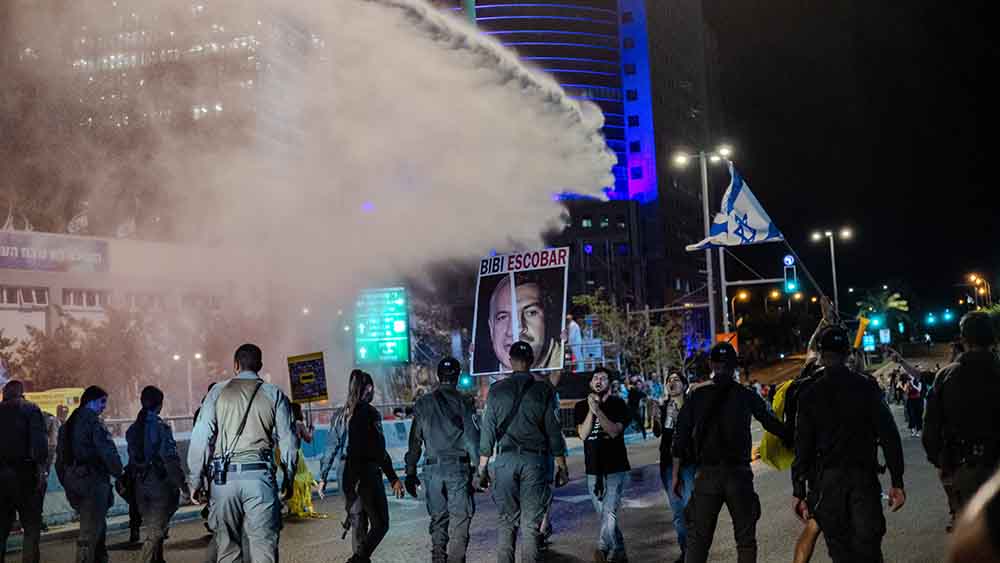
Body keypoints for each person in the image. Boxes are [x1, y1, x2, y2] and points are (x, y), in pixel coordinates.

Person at [792, 326, 906, 563]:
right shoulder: (867, 386)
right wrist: (897, 481)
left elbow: (802, 447)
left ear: (821, 354)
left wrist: (799, 491)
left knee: (840, 552)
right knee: (869, 549)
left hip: (828, 484)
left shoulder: (809, 394)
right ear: (847, 353)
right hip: (863, 479)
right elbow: (889, 436)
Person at [671, 342, 789, 563]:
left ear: (711, 364)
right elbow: (771, 422)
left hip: (707, 476)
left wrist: (676, 474)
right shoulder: (746, 395)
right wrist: (794, 438)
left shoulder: (697, 396)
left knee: (698, 540)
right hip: (738, 475)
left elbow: (680, 437)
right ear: (735, 365)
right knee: (745, 540)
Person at [187, 343, 298, 563]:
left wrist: (195, 480)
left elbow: (200, 437)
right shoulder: (274, 393)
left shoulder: (217, 392)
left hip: (224, 480)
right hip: (259, 479)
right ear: (260, 365)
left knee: (227, 549)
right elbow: (288, 441)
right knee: (263, 547)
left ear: (236, 365)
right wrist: (289, 477)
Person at [477, 341, 569, 563]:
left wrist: (482, 467)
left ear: (510, 361)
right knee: (530, 526)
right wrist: (561, 465)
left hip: (505, 460)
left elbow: (487, 431)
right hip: (534, 462)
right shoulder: (543, 390)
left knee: (506, 522)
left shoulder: (496, 390)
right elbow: (554, 431)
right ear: (531, 361)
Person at [924, 312, 1000, 527]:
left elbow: (931, 429)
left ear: (963, 339)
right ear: (993, 338)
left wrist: (940, 462)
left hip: (965, 466)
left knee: (972, 532)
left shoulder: (946, 376)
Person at [404, 357, 480, 563]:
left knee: (438, 519)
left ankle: (438, 557)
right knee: (460, 520)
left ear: (438, 377)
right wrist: (480, 471)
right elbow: (472, 441)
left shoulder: (423, 403)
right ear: (457, 377)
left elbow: (415, 442)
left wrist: (410, 472)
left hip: (432, 471)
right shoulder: (465, 403)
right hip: (458, 469)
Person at [341, 369, 406, 563]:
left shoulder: (344, 414)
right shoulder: (370, 413)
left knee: (360, 527)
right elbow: (379, 450)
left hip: (350, 476)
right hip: (368, 476)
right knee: (381, 524)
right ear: (368, 388)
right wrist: (393, 477)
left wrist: (348, 484)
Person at [55, 385, 124, 563]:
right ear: (91, 401)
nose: (104, 407)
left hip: (73, 480)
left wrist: (67, 481)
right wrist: (120, 474)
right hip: (92, 481)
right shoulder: (94, 423)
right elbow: (108, 452)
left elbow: (59, 459)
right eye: (102, 402)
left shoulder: (67, 425)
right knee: (90, 531)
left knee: (96, 525)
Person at [124, 386, 190, 563]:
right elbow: (171, 461)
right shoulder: (161, 428)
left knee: (153, 528)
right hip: (159, 485)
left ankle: (158, 560)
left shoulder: (132, 429)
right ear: (160, 405)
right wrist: (183, 486)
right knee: (155, 532)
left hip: (140, 485)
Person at [574, 368, 631, 563]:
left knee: (609, 511)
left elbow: (614, 431)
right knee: (603, 513)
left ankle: (602, 547)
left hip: (616, 466)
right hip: (592, 468)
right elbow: (583, 434)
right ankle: (619, 549)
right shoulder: (581, 406)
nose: (598, 381)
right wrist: (591, 410)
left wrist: (598, 410)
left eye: (603, 378)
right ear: (591, 383)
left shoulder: (618, 404)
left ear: (610, 383)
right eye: (595, 378)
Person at [0, 380, 47, 563]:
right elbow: (39, 445)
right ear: (21, 392)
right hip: (25, 476)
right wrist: (40, 470)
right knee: (31, 527)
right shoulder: (31, 409)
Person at [485, 273, 563, 374]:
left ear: (548, 318)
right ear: (491, 329)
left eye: (531, 313)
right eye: (503, 317)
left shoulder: (564, 369)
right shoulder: (485, 375)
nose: (517, 329)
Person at [653, 373, 694, 563]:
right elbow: (657, 432)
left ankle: (695, 551)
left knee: (689, 508)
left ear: (684, 385)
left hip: (690, 461)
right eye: (669, 380)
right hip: (668, 464)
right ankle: (686, 551)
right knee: (677, 511)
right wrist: (655, 417)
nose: (672, 383)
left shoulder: (692, 406)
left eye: (676, 379)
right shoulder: (663, 407)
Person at [287, 403, 320, 518]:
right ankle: (302, 505)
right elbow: (308, 439)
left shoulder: (285, 423)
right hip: (297, 454)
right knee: (302, 478)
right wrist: (311, 430)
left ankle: (292, 506)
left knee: (291, 479)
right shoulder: (299, 424)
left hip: (285, 455)